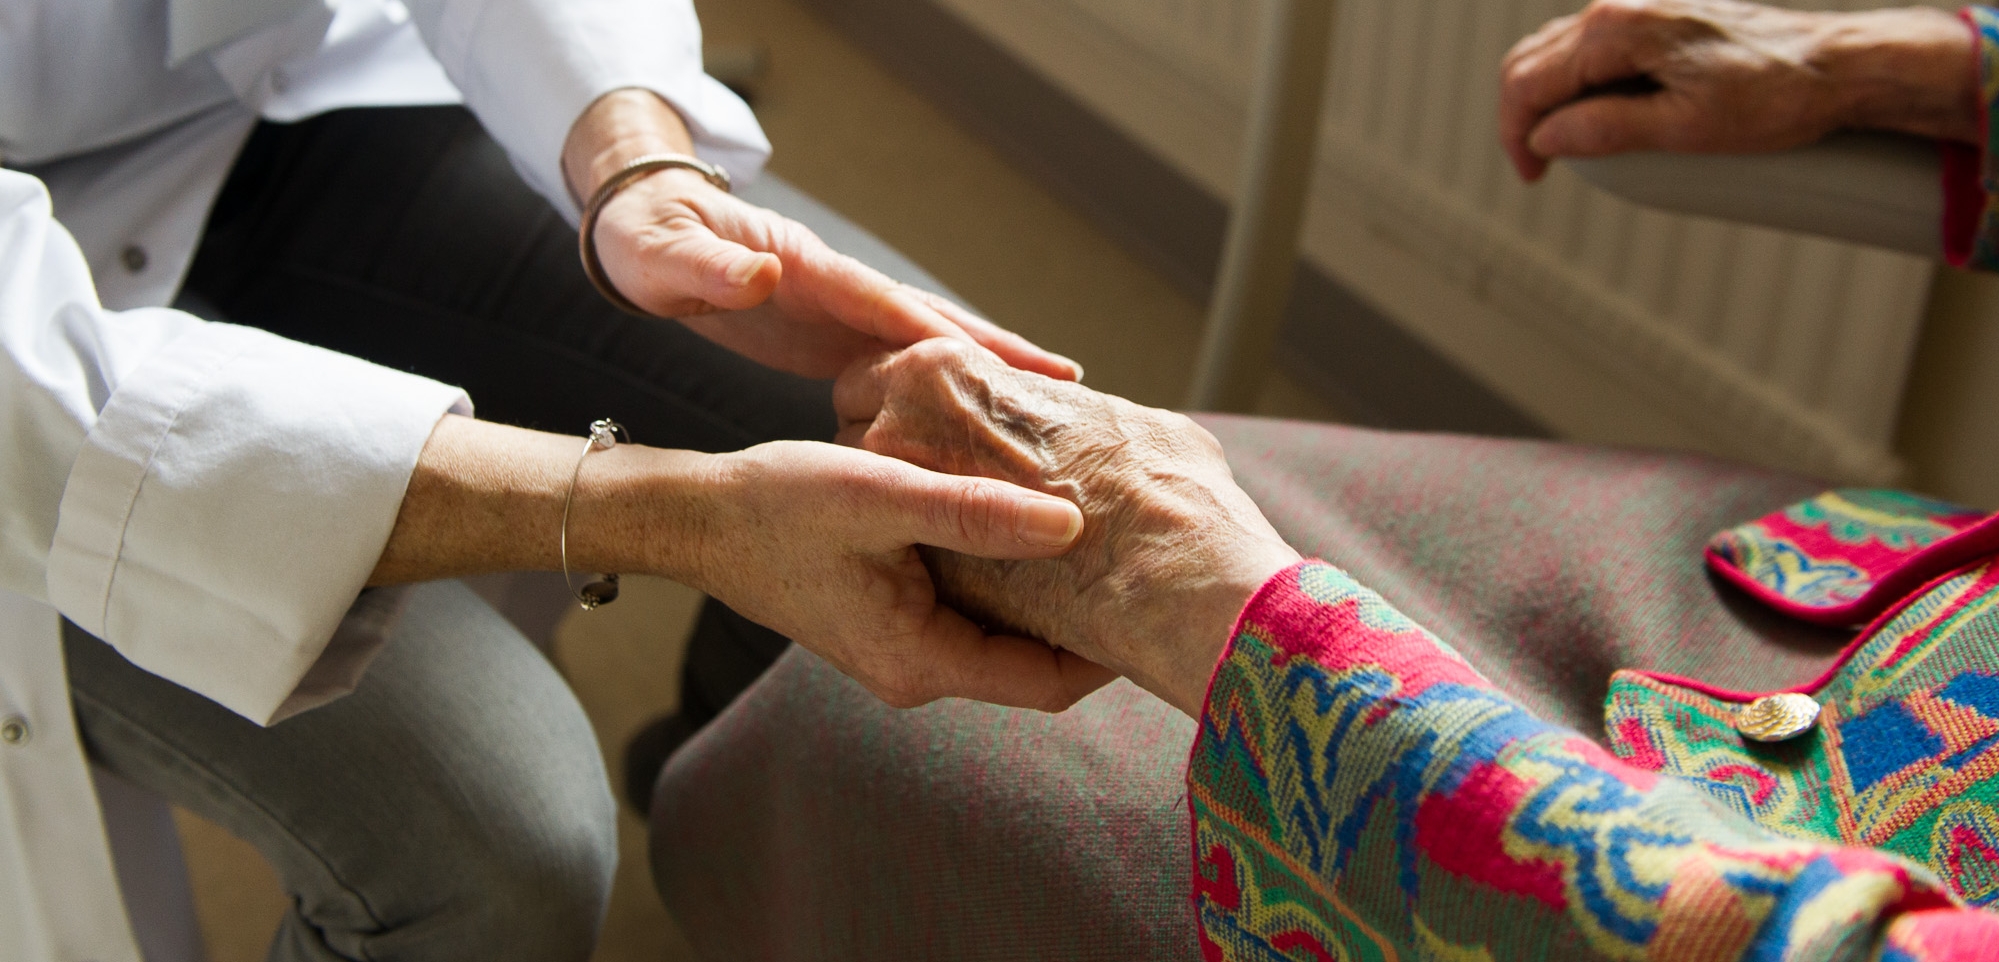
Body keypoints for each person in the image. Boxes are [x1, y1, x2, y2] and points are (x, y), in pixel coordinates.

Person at [645, 3, 1999, 959]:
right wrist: (1935, 69)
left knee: (906, 720)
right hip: (1910, 613)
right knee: (946, 539)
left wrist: (1165, 582)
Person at [2, 0, 1083, 959]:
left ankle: (716, 825)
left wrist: (634, 164)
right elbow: (39, 398)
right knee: (501, 844)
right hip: (31, 374)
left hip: (270, 107)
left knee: (912, 434)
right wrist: (659, 516)